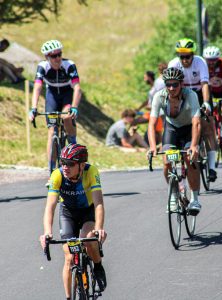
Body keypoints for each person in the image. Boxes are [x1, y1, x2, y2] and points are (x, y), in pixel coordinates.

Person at [39, 143, 107, 300]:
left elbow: (98, 204)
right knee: (69, 257)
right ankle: (69, 297)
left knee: (89, 241)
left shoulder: (91, 172)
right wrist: (47, 232)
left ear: (82, 165)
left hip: (87, 212)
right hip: (67, 213)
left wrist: (99, 228)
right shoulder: (58, 175)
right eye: (63, 162)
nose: (65, 167)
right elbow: (50, 207)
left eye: (70, 164)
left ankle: (97, 267)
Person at [148, 67, 202, 213]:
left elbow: (197, 122)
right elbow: (152, 124)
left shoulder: (190, 95)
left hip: (189, 129)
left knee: (189, 159)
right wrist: (153, 146)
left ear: (181, 84)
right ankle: (173, 195)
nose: (171, 88)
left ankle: (195, 199)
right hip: (172, 129)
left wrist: (194, 146)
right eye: (168, 84)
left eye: (175, 85)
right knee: (167, 162)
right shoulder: (159, 96)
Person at [28, 40, 82, 173]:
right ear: (47, 57)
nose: (57, 58)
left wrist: (74, 106)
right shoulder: (43, 67)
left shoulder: (69, 65)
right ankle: (51, 169)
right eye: (53, 56)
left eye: (59, 54)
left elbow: (77, 88)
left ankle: (72, 142)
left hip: (67, 95)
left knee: (66, 116)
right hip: (52, 95)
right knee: (52, 131)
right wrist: (33, 108)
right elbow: (37, 87)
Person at [168, 38, 217, 182]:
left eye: (187, 56)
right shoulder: (174, 64)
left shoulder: (200, 62)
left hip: (200, 94)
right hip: (182, 95)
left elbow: (205, 84)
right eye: (181, 56)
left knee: (207, 127)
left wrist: (207, 103)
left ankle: (212, 166)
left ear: (193, 54)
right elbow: (171, 87)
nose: (184, 60)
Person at [203, 46, 222, 143]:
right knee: (209, 113)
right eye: (209, 60)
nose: (211, 62)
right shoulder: (203, 65)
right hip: (210, 92)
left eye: (214, 60)